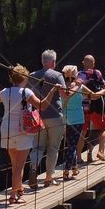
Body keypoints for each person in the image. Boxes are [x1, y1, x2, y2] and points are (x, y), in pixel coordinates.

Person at [0, 65, 59, 204]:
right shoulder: (26, 92)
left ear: (12, 79)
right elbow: (43, 105)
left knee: (14, 164)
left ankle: (19, 189)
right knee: (20, 165)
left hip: (6, 129)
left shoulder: (5, 91)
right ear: (25, 78)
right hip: (22, 130)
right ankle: (13, 195)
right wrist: (53, 90)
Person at [60, 65, 105, 180]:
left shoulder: (61, 87)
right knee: (72, 145)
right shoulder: (79, 87)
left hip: (65, 119)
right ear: (75, 75)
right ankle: (66, 170)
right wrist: (104, 91)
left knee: (71, 144)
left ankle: (74, 168)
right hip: (78, 119)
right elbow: (93, 96)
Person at [28, 49, 67, 189]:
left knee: (37, 147)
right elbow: (64, 94)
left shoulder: (32, 76)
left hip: (38, 117)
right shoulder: (57, 75)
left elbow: (26, 94)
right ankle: (48, 178)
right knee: (53, 148)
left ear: (42, 61)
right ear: (53, 62)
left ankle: (33, 169)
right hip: (55, 115)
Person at [76, 55, 105, 163]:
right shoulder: (97, 73)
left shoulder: (79, 75)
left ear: (83, 63)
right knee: (104, 128)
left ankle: (78, 157)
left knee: (82, 132)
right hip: (96, 107)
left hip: (83, 107)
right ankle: (101, 151)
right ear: (93, 63)